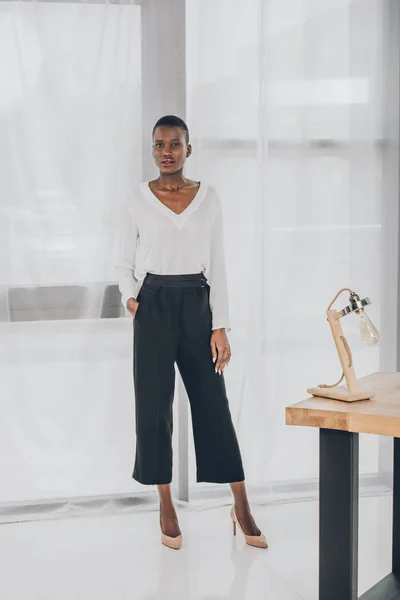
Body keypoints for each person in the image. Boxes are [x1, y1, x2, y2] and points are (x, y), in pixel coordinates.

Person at [116, 115, 267, 550]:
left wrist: (220, 325)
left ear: (188, 149)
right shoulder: (137, 198)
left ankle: (241, 504)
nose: (167, 151)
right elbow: (121, 261)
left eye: (175, 144)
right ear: (152, 150)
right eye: (159, 145)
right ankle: (165, 502)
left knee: (212, 405)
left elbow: (218, 264)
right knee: (153, 405)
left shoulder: (209, 198)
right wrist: (132, 299)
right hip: (154, 302)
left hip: (197, 304)